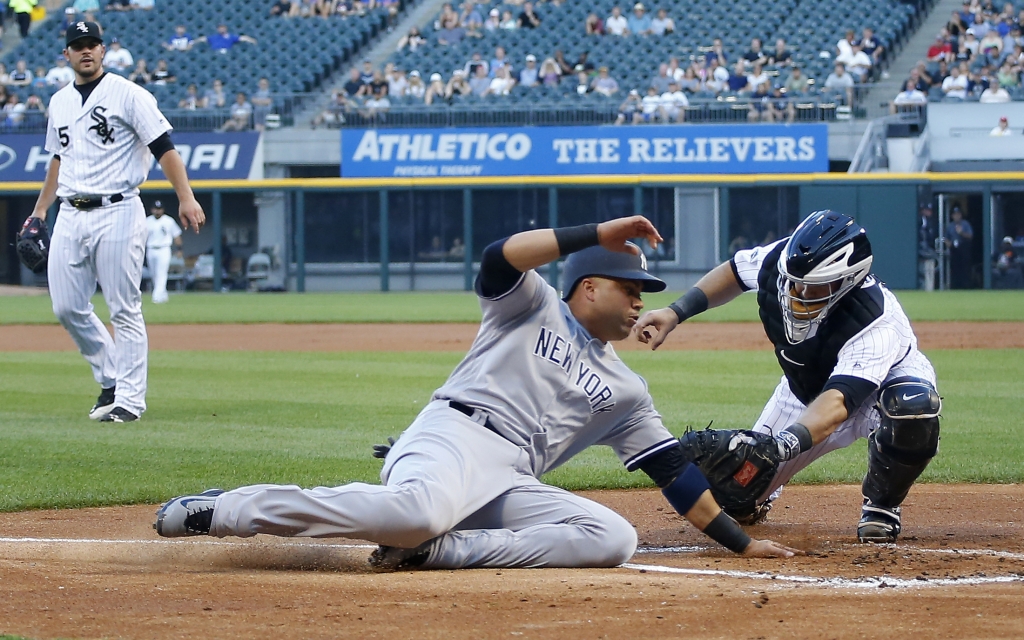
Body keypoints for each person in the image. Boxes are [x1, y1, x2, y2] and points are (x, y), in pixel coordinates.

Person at [154, 215, 801, 568]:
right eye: (630, 288)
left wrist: (744, 543)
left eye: (643, 295)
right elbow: (499, 256)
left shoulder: (627, 389)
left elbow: (676, 476)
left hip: (510, 481)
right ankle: (230, 509)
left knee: (611, 538)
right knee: (413, 512)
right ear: (587, 287)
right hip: (452, 437)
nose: (639, 302)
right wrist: (591, 234)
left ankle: (444, 553)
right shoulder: (532, 305)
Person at [635, 210, 942, 543]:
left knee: (912, 406)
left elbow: (838, 402)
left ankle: (882, 505)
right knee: (735, 493)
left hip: (875, 393)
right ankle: (754, 498)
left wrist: (782, 444)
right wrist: (675, 311)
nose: (796, 293)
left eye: (811, 288)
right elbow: (733, 272)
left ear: (846, 282)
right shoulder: (779, 261)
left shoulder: (876, 321)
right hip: (804, 391)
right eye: (793, 283)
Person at [27, 21, 205, 423]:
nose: (85, 51)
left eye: (92, 44)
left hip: (119, 209)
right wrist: (39, 210)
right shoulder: (58, 102)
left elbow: (164, 147)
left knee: (124, 308)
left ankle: (128, 400)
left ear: (104, 51)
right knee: (67, 306)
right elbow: (58, 159)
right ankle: (110, 377)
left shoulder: (129, 95)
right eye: (78, 46)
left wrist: (185, 196)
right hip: (70, 212)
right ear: (67, 55)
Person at [145, 200, 183, 304]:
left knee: (161, 273)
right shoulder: (147, 221)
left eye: (159, 209)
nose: (157, 211)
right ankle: (163, 295)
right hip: (151, 248)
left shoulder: (168, 221)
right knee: (153, 274)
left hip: (164, 249)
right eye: (155, 209)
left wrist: (179, 249)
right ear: (152, 210)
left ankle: (156, 297)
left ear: (163, 210)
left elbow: (177, 235)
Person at [945, 205, 973, 289]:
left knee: (965, 269)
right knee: (954, 269)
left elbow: (970, 236)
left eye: (958, 214)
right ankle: (955, 287)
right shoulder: (950, 226)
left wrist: (961, 233)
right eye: (954, 214)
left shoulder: (965, 224)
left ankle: (966, 286)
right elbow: (944, 237)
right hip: (954, 249)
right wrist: (947, 242)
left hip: (964, 248)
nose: (956, 216)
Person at [918, 204, 938, 291]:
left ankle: (929, 288)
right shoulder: (919, 221)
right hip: (920, 251)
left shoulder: (931, 223)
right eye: (926, 210)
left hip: (929, 250)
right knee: (923, 270)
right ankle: (924, 288)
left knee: (930, 269)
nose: (928, 212)